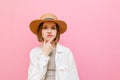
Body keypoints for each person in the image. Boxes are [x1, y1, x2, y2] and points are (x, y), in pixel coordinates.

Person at [27, 13, 80, 80]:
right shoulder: (34, 52)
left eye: (53, 28)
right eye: (45, 28)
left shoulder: (66, 52)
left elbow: (74, 77)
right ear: (40, 31)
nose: (49, 31)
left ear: (57, 31)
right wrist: (44, 54)